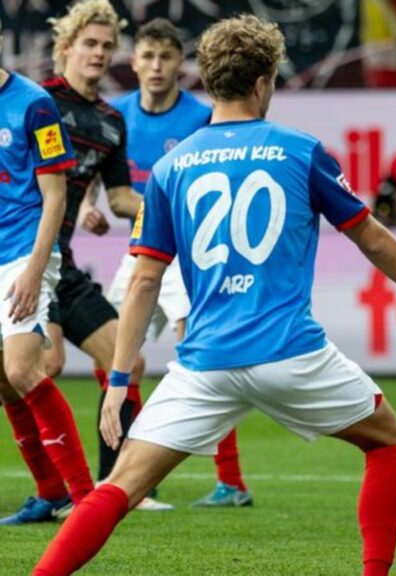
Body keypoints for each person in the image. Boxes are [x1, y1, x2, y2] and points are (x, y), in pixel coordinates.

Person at [32, 14, 396, 576]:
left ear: (209, 82)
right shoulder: (299, 149)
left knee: (118, 486)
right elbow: (370, 235)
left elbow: (144, 279)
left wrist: (120, 380)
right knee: (388, 444)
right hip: (289, 353)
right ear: (264, 81)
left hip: (206, 364)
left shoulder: (170, 167)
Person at [106, 17, 252, 508]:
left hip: (188, 259)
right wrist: (87, 204)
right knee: (116, 355)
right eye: (147, 56)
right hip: (143, 254)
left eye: (165, 57)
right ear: (134, 62)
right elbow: (107, 186)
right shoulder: (117, 114)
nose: (155, 66)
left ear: (179, 64)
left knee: (203, 358)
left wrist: (141, 201)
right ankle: (132, 475)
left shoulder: (199, 118)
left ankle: (230, 482)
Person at [36, 0, 173, 512]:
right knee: (40, 365)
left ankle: (113, 486)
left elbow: (119, 199)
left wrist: (171, 206)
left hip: (62, 266)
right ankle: (54, 490)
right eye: (89, 44)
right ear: (66, 48)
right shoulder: (37, 101)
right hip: (23, 258)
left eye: (107, 46)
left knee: (128, 359)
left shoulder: (112, 121)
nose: (99, 53)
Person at [0, 26, 96, 526]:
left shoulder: (34, 104)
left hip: (24, 250)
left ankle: (85, 500)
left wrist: (36, 271)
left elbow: (55, 196)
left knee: (21, 370)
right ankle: (50, 493)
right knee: (4, 382)